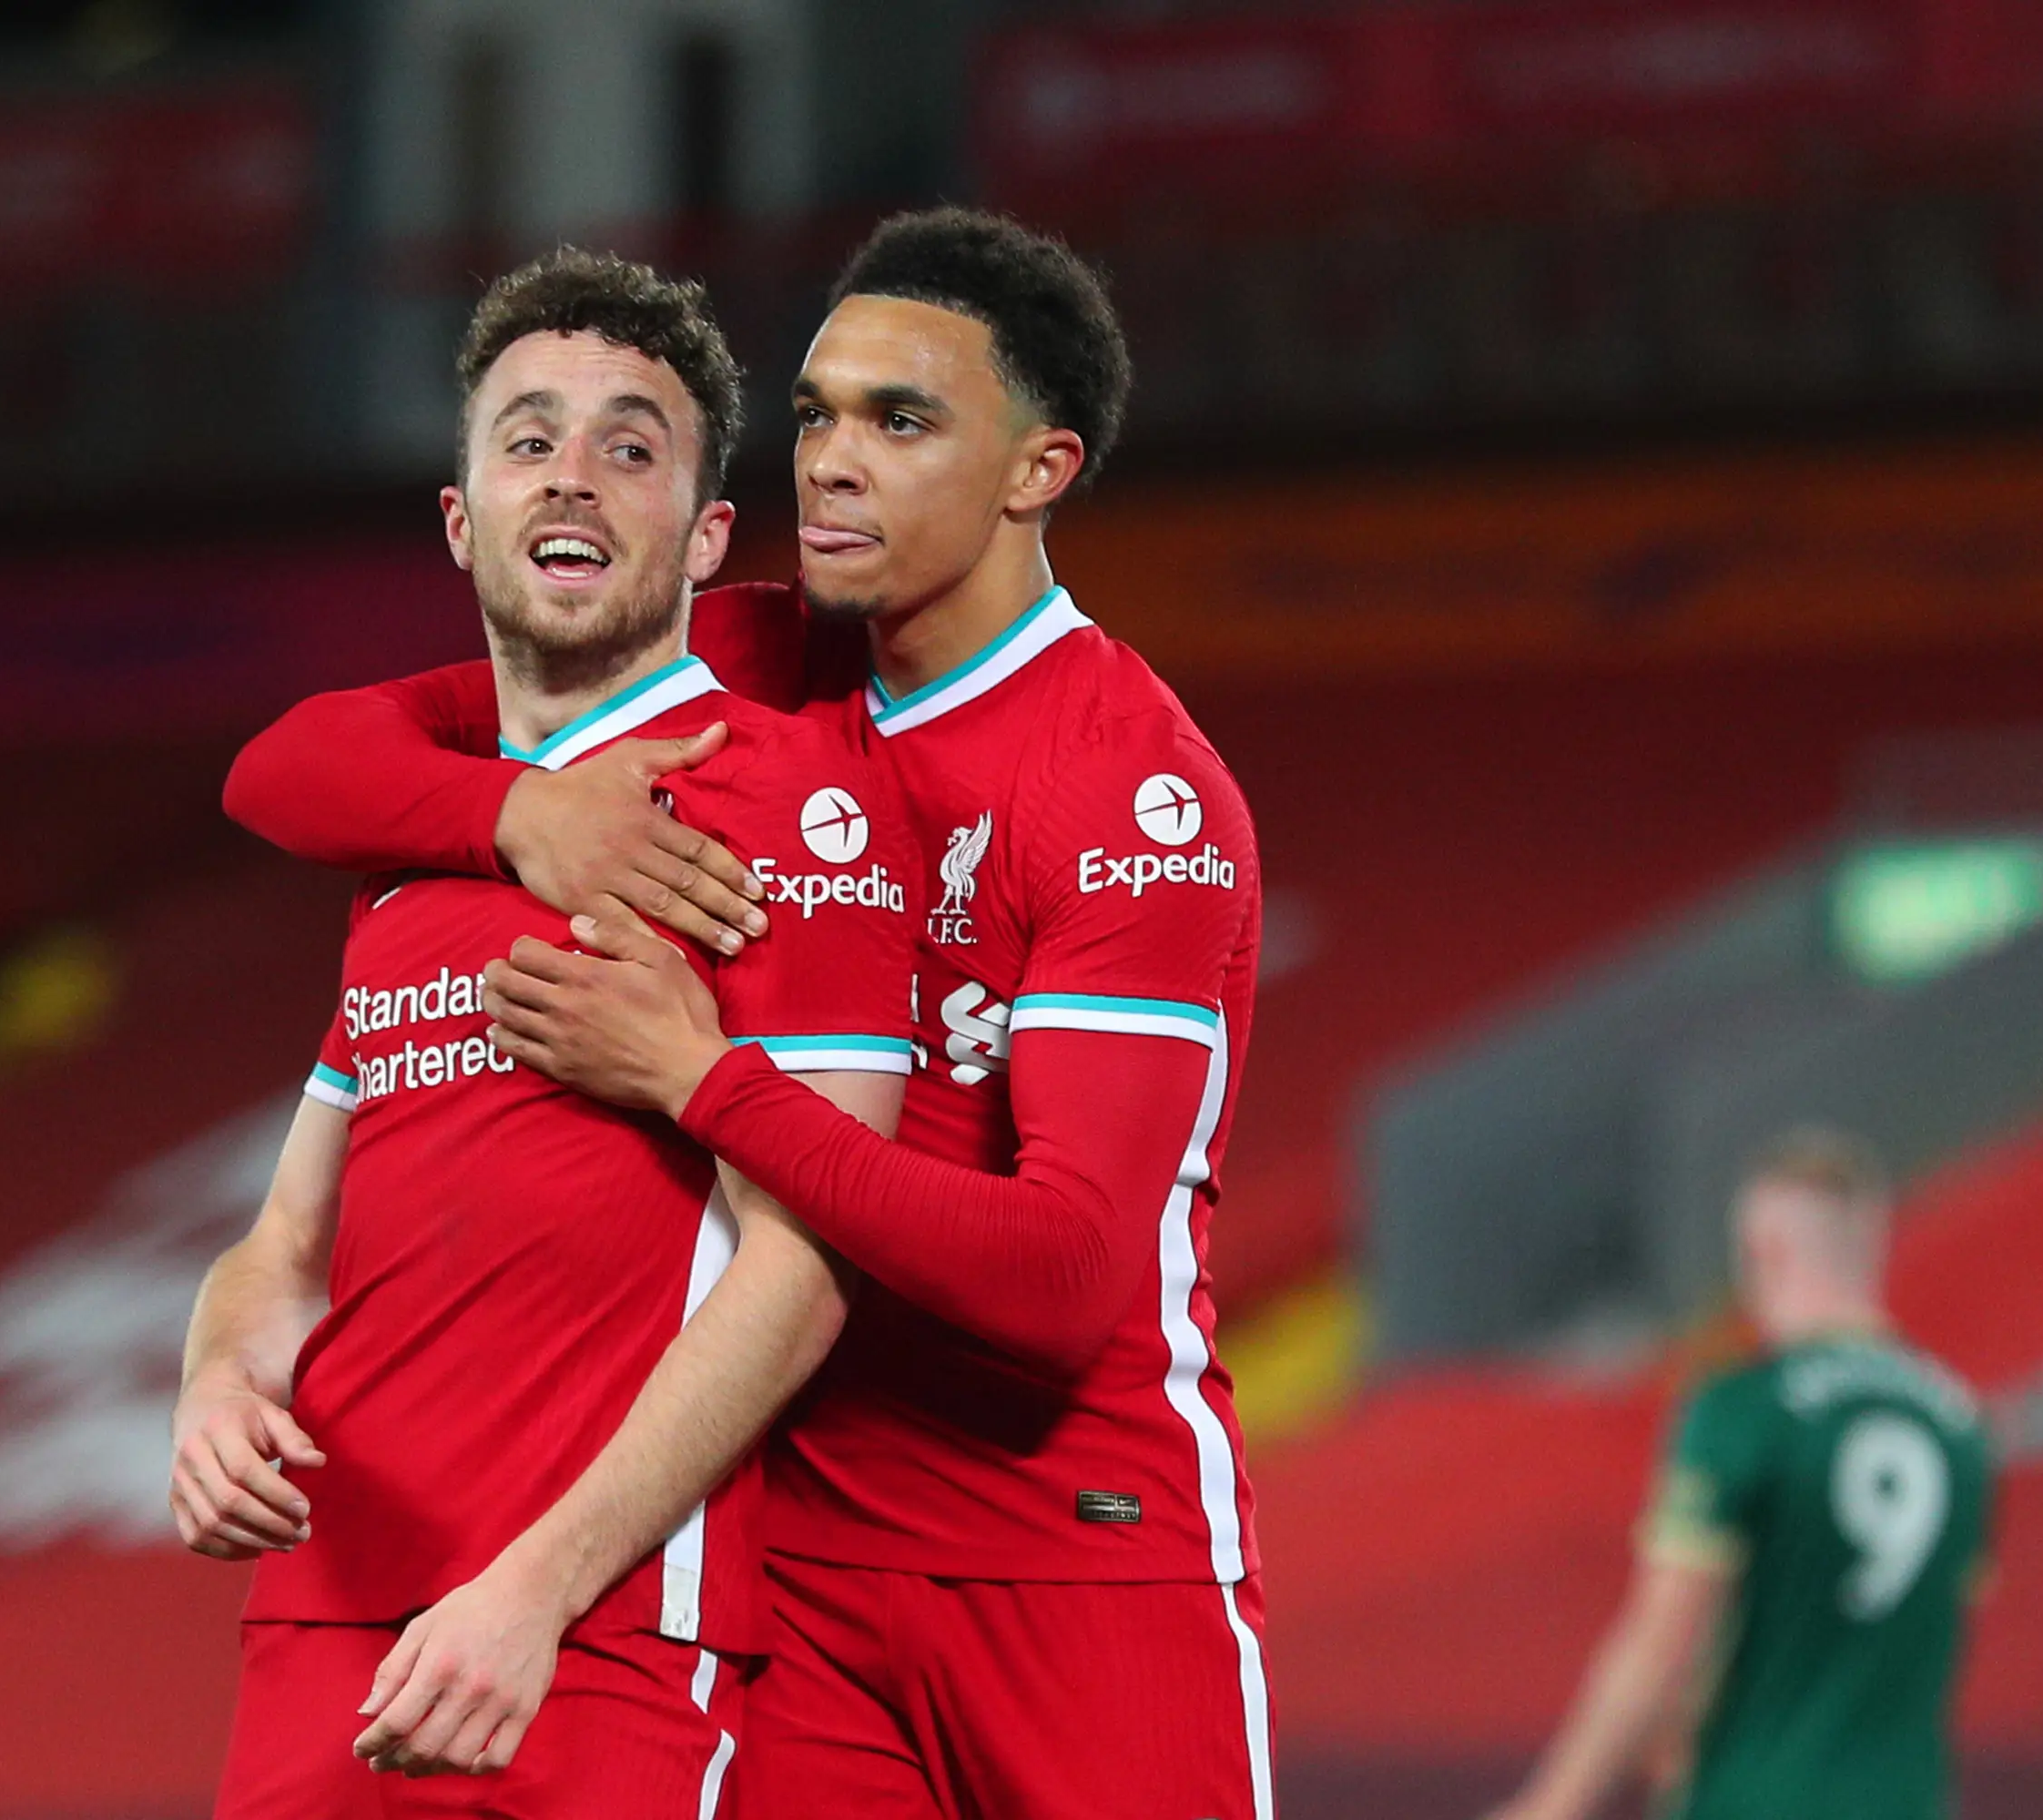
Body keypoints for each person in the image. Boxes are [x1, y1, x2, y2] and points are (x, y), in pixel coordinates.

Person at [225, 208, 1275, 1820]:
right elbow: (292, 766)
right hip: (803, 1566)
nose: (835, 461)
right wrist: (516, 819)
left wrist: (702, 1081)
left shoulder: (1130, 788)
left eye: (901, 420)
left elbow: (1068, 1276)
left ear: (1038, 469)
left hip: (1077, 1556)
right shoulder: (761, 655)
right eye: (818, 414)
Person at [171, 249, 913, 1818]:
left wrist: (540, 1586)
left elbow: (809, 1261)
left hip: (597, 1630)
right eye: (527, 438)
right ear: (463, 518)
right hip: (328, 1611)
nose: (571, 475)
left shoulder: (800, 807)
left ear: (706, 535)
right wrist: (222, 1375)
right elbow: (286, 1240)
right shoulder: (423, 842)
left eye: (631, 444)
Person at [1488, 1129, 1994, 1820]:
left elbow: (1662, 1636)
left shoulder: (1744, 1409)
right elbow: (1927, 1644)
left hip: (1757, 1797)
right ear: (1871, 1244)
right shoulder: (1960, 1426)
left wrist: (1552, 1802)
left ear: (1764, 1251)